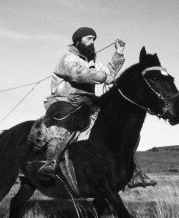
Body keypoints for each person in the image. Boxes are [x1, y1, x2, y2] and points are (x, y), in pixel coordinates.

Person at [37, 27, 125, 181]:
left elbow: (109, 74)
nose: (92, 42)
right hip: (64, 101)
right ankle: (49, 163)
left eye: (94, 39)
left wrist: (119, 53)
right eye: (89, 38)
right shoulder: (69, 58)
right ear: (78, 41)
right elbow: (77, 74)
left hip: (87, 102)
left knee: (113, 124)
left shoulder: (93, 63)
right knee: (67, 122)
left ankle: (128, 169)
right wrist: (104, 77)